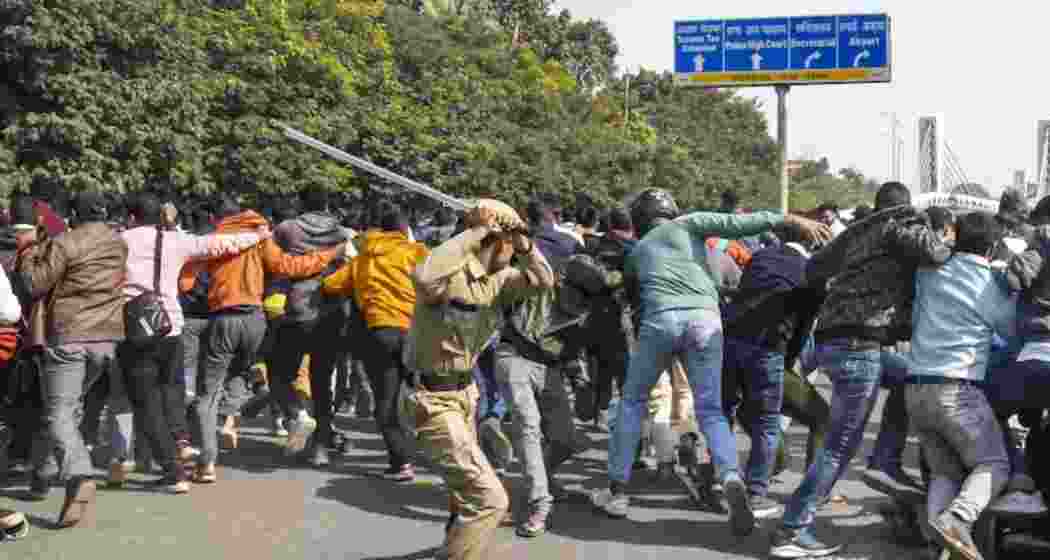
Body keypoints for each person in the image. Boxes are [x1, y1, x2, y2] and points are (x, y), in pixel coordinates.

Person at [591, 188, 831, 539]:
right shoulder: (689, 224)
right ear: (672, 210)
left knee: (632, 402)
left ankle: (617, 491)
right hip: (705, 320)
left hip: (660, 321)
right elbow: (736, 225)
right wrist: (789, 218)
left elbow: (631, 292)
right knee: (711, 411)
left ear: (640, 219)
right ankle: (730, 476)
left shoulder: (639, 250)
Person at [770, 182, 951, 558]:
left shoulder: (857, 230)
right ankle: (791, 529)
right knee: (838, 448)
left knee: (905, 378)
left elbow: (814, 269)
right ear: (905, 206)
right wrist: (946, 237)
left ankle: (884, 461)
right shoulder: (902, 220)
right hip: (859, 344)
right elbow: (933, 252)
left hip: (833, 339)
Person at [404, 199, 554, 560]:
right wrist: (482, 228)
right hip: (430, 397)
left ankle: (454, 548)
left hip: (463, 395)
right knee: (490, 500)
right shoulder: (449, 273)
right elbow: (424, 275)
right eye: (507, 239)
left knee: (464, 498)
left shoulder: (500, 280)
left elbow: (545, 281)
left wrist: (525, 244)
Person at [186, 194, 345, 484]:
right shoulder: (263, 239)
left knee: (210, 390)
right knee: (274, 371)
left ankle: (208, 458)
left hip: (226, 318)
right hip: (260, 319)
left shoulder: (214, 240)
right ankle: (273, 405)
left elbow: (187, 281)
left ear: (216, 218)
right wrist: (329, 255)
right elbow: (289, 267)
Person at [118, 193, 266, 494]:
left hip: (134, 328)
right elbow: (218, 244)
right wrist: (257, 235)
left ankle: (172, 471)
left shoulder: (120, 241)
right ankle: (182, 444)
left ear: (131, 217)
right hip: (170, 326)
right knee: (171, 394)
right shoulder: (176, 240)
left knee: (145, 403)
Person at [905, 211, 1015, 560]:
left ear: (955, 236)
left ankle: (943, 547)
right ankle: (958, 519)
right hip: (957, 390)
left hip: (916, 388)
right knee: (994, 463)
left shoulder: (928, 270)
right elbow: (1010, 331)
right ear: (994, 245)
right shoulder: (988, 281)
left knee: (945, 472)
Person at [16, 191, 127, 528]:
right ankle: (45, 472)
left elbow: (34, 283)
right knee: (70, 408)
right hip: (106, 339)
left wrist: (29, 250)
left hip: (70, 335)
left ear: (73, 214)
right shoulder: (116, 242)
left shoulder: (65, 243)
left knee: (59, 412)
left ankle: (78, 475)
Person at [322, 201, 428, 479]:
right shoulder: (417, 254)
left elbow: (331, 285)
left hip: (380, 333)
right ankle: (437, 450)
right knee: (430, 395)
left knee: (387, 399)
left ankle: (401, 462)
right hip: (417, 333)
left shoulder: (364, 258)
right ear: (405, 230)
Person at [270, 187, 353, 466]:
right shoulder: (343, 234)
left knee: (280, 373)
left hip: (296, 310)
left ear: (300, 202)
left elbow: (274, 263)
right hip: (331, 313)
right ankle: (320, 449)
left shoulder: (286, 229)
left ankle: (297, 414)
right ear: (328, 204)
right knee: (321, 381)